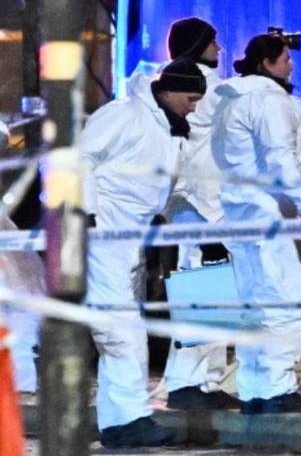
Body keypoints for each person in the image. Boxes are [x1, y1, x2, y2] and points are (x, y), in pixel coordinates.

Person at [81, 59, 206, 448]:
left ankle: (123, 421)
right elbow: (77, 159)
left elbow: (174, 193)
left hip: (127, 241)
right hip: (103, 233)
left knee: (123, 327)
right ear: (169, 92)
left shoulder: (170, 131)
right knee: (120, 330)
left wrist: (204, 230)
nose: (194, 106)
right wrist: (82, 215)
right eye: (190, 97)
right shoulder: (123, 116)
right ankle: (127, 421)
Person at [210, 33, 301, 414]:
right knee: (285, 304)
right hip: (275, 214)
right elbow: (280, 158)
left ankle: (255, 389)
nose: (291, 65)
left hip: (240, 214)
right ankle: (276, 389)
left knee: (254, 307)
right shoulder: (270, 101)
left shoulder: (230, 100)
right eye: (285, 58)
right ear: (267, 63)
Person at [160, 16, 239, 411]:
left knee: (214, 293)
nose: (220, 50)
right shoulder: (203, 89)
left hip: (206, 206)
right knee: (202, 292)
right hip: (199, 207)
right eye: (213, 43)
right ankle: (186, 383)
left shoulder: (199, 87)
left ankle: (205, 382)